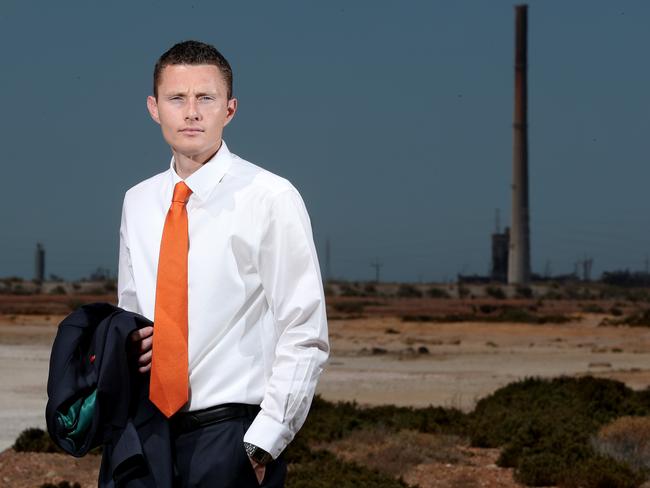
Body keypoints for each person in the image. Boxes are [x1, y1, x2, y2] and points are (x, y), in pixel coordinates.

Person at [118, 40, 329, 487]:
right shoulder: (137, 202)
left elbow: (304, 331)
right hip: (148, 435)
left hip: (231, 435)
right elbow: (132, 315)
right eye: (177, 98)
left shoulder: (270, 197)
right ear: (154, 108)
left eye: (205, 98)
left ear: (229, 110)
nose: (191, 112)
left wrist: (263, 443)